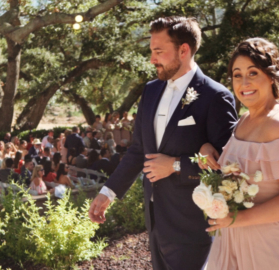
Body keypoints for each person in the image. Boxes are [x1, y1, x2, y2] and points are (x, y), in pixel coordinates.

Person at [88, 16, 238, 270]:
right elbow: (138, 150)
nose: (152, 59)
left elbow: (228, 167)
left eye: (159, 51)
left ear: (183, 50)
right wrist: (107, 193)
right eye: (151, 51)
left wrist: (177, 165)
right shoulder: (151, 90)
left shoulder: (216, 96)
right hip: (155, 220)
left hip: (193, 225)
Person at [198, 38, 279, 270]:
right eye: (237, 74)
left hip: (275, 251)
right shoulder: (243, 121)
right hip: (234, 243)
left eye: (253, 73)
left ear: (271, 76)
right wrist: (207, 150)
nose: (244, 82)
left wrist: (236, 219)